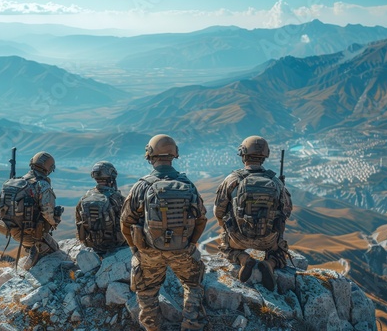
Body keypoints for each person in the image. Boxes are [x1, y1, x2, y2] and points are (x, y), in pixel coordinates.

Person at [120, 134, 208, 331]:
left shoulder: (142, 186)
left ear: (150, 156)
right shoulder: (187, 185)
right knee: (193, 285)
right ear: (174, 155)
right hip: (182, 249)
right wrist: (191, 243)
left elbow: (126, 221)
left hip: (149, 251)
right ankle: (191, 324)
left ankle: (152, 327)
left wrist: (136, 249)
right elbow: (201, 218)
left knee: (147, 291)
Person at [213, 136, 292, 291]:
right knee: (281, 252)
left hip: (238, 238)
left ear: (243, 154)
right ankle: (269, 263)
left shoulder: (232, 179)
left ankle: (243, 259)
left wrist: (227, 228)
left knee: (225, 247)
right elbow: (286, 212)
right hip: (268, 240)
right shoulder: (276, 182)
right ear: (265, 156)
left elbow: (218, 211)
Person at [0, 151, 63, 271]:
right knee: (57, 254)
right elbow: (48, 213)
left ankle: (31, 249)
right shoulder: (42, 185)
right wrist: (54, 221)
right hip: (31, 234)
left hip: (10, 230)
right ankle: (36, 251)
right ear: (49, 168)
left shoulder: (12, 182)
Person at [75, 161, 126, 255]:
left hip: (91, 244)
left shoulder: (85, 197)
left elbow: (78, 219)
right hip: (115, 244)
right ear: (111, 176)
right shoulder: (117, 198)